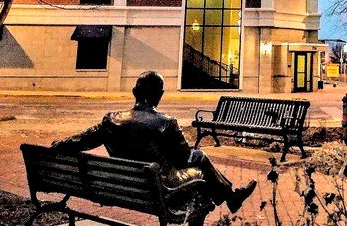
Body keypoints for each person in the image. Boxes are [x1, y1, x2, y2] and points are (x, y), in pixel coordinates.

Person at [51, 70, 257, 213]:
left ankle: (231, 197)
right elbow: (184, 158)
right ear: (160, 95)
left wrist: (58, 145)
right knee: (200, 162)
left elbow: (82, 141)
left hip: (121, 185)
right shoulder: (166, 123)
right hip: (159, 187)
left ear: (134, 93)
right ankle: (230, 197)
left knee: (198, 159)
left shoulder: (111, 120)